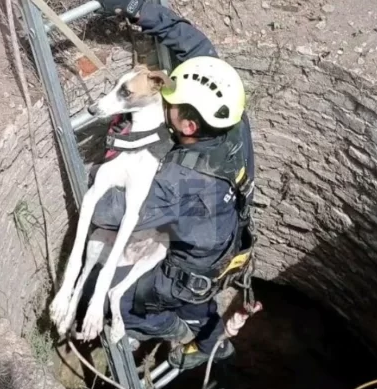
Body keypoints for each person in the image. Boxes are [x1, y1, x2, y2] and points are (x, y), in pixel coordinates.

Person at [89, 0, 257, 370]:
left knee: (123, 301)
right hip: (225, 240)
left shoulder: (181, 182)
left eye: (171, 104)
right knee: (202, 303)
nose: (165, 103)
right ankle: (214, 342)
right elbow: (199, 51)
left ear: (189, 127)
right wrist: (138, 7)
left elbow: (107, 211)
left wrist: (114, 153)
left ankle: (174, 331)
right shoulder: (229, 112)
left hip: (190, 269)